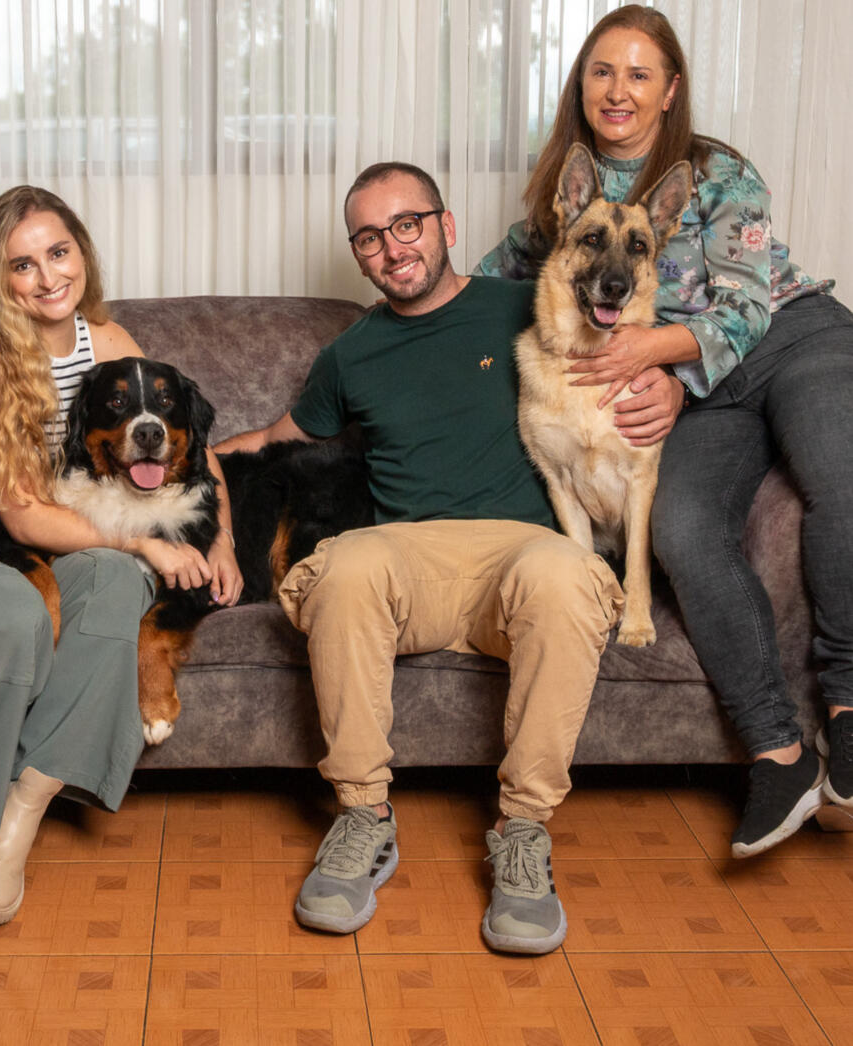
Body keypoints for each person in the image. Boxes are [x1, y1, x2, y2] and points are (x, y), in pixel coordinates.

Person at [215, 162, 623, 954]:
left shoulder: (525, 306)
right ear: (358, 254)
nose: (391, 248)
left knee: (568, 576)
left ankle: (523, 833)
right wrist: (192, 469)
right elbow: (271, 440)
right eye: (369, 237)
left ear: (447, 226)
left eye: (407, 224)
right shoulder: (351, 354)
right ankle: (363, 818)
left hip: (523, 553)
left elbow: (624, 344)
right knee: (343, 565)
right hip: (409, 559)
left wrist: (667, 388)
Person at [477, 4, 853, 858]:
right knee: (682, 532)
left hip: (791, 338)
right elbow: (488, 287)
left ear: (670, 89)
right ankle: (778, 753)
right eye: (603, 71)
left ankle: (851, 711)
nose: (619, 90)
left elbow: (749, 304)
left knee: (843, 472)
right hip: (697, 390)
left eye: (640, 73)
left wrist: (657, 351)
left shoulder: (716, 174)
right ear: (582, 85)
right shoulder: (560, 201)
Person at [0, 185, 243, 929]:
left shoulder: (107, 342)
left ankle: (21, 812)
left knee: (113, 585)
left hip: (80, 535)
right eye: (23, 265)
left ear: (82, 253)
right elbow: (16, 513)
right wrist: (140, 539)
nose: (48, 278)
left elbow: (192, 449)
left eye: (59, 252)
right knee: (38, 606)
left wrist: (226, 539)